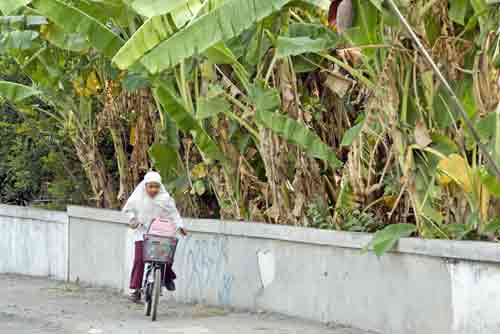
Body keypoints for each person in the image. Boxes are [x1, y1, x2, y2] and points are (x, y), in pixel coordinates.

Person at [123, 171, 187, 303]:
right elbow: (128, 210)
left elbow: (174, 214)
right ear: (145, 186)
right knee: (140, 259)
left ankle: (167, 277)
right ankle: (136, 290)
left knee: (166, 257)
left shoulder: (165, 199)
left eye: (156, 186)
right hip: (142, 233)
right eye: (151, 186)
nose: (153, 189)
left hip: (160, 232)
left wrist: (180, 226)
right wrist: (133, 220)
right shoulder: (137, 197)